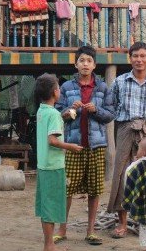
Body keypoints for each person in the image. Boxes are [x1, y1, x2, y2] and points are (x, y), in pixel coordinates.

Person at [54, 45, 115, 246]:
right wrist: (70, 109)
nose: (85, 64)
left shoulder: (103, 88)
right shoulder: (66, 88)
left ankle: (91, 231)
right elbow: (58, 113)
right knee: (67, 189)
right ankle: (62, 230)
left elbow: (110, 115)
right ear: (75, 64)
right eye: (82, 61)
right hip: (73, 145)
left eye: (89, 61)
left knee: (95, 190)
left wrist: (96, 110)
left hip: (97, 146)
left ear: (94, 65)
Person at [107, 42, 146, 239]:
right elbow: (112, 106)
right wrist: (129, 123)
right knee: (122, 174)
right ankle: (122, 223)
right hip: (125, 129)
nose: (139, 60)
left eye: (142, 56)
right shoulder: (119, 82)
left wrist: (145, 126)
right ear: (129, 58)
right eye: (135, 56)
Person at [34, 73, 83, 251]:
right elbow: (53, 140)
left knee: (47, 205)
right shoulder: (53, 113)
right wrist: (71, 146)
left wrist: (63, 116)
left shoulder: (42, 111)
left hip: (43, 164)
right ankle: (49, 245)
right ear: (55, 92)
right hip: (54, 166)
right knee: (52, 207)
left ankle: (49, 243)